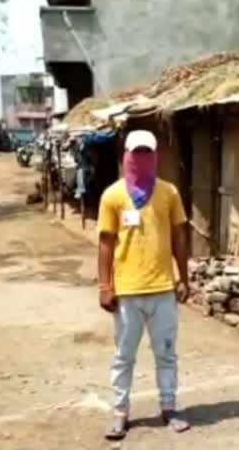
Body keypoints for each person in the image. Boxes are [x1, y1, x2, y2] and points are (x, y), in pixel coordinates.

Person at [97, 130, 190, 441]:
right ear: (126, 155)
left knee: (166, 353)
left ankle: (169, 407)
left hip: (163, 288)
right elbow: (106, 243)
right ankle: (120, 413)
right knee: (124, 356)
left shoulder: (169, 193)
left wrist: (184, 277)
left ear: (155, 155)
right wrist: (104, 286)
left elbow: (178, 236)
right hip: (127, 291)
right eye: (136, 153)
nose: (141, 159)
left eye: (146, 153)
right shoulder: (112, 196)